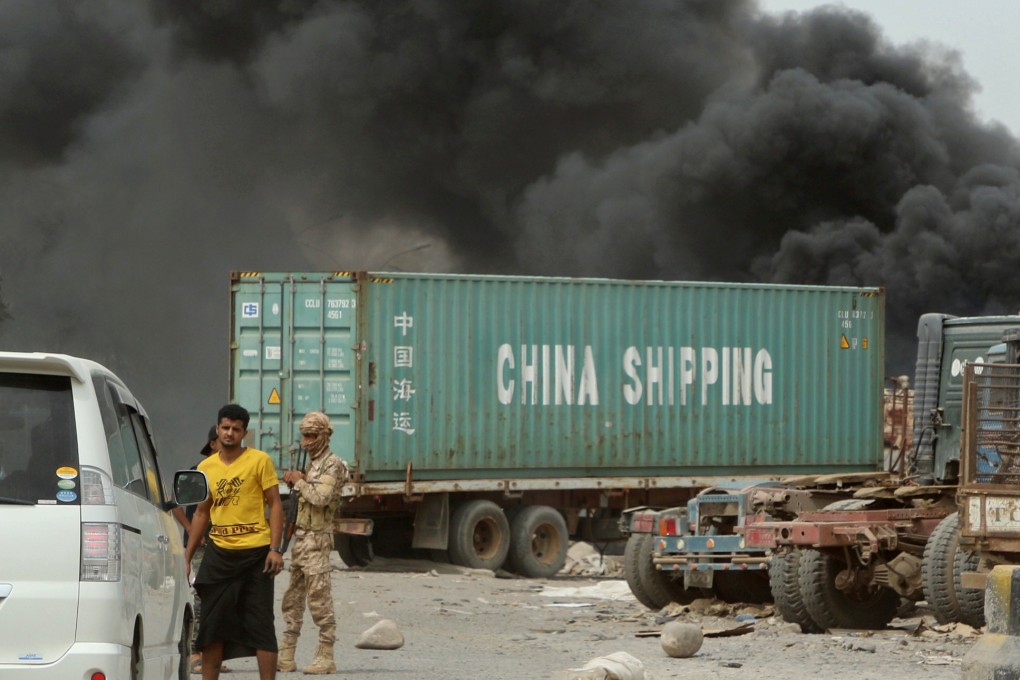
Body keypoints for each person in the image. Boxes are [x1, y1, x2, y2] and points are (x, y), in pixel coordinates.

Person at [185, 404, 285, 680]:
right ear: (217, 430)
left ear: (245, 433)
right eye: (225, 428)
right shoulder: (206, 467)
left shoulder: (259, 461)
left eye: (236, 429)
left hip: (257, 554)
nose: (230, 433)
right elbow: (202, 513)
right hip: (219, 555)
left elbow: (275, 505)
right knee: (212, 625)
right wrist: (187, 555)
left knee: (262, 626)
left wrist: (275, 549)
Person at [278, 411, 349, 674]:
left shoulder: (333, 464)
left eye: (311, 436)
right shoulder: (312, 463)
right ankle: (287, 651)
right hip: (302, 537)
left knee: (319, 597)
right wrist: (297, 480)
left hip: (318, 538)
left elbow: (321, 498)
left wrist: (299, 482)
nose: (306, 441)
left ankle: (326, 654)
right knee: (293, 596)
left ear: (324, 436)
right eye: (304, 435)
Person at [187, 426, 220, 675]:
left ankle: (212, 654)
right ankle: (195, 652)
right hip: (201, 547)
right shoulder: (197, 473)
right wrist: (192, 532)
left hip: (222, 546)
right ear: (212, 443)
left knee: (219, 601)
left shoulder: (232, 472)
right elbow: (174, 504)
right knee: (199, 598)